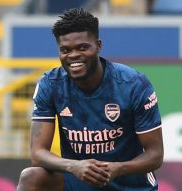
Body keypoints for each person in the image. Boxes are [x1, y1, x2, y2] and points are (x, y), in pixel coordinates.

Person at [16, 8, 164, 191]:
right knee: (31, 177)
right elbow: (37, 154)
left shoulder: (133, 84)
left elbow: (155, 155)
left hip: (130, 183)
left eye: (82, 47)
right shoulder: (50, 84)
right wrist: (74, 166)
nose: (73, 56)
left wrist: (117, 168)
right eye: (65, 50)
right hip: (81, 180)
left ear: (98, 46)